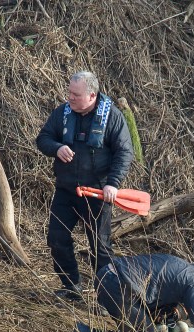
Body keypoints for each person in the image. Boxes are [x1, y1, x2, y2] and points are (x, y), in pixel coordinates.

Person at [36, 71, 134, 300]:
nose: (69, 97)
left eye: (75, 94)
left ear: (91, 96)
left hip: (98, 193)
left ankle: (108, 295)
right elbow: (43, 139)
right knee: (57, 238)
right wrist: (56, 148)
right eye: (69, 92)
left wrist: (113, 184)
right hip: (66, 190)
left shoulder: (112, 117)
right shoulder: (62, 113)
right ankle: (71, 286)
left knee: (100, 247)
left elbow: (125, 152)